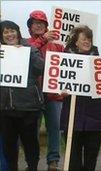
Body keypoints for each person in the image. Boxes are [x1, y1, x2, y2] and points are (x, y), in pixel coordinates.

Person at [60, 25, 101, 171]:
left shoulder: (100, 62)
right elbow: (56, 83)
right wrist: (60, 91)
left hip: (95, 117)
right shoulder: (64, 61)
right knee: (73, 160)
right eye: (84, 39)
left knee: (91, 159)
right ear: (76, 41)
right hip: (72, 117)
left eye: (89, 39)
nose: (87, 41)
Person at [0, 20, 44, 171]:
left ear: (18, 32)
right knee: (9, 145)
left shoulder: (29, 48)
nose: (9, 34)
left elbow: (40, 68)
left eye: (12, 31)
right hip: (5, 108)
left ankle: (32, 167)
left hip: (29, 107)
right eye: (5, 32)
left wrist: (26, 51)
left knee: (30, 143)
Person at [26, 10, 65, 170]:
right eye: (35, 23)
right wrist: (42, 40)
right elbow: (26, 53)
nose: (39, 25)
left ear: (47, 26)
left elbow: (67, 65)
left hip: (53, 94)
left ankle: (53, 161)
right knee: (31, 130)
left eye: (42, 23)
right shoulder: (25, 42)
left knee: (55, 128)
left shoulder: (57, 45)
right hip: (32, 95)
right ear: (30, 26)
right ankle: (32, 162)